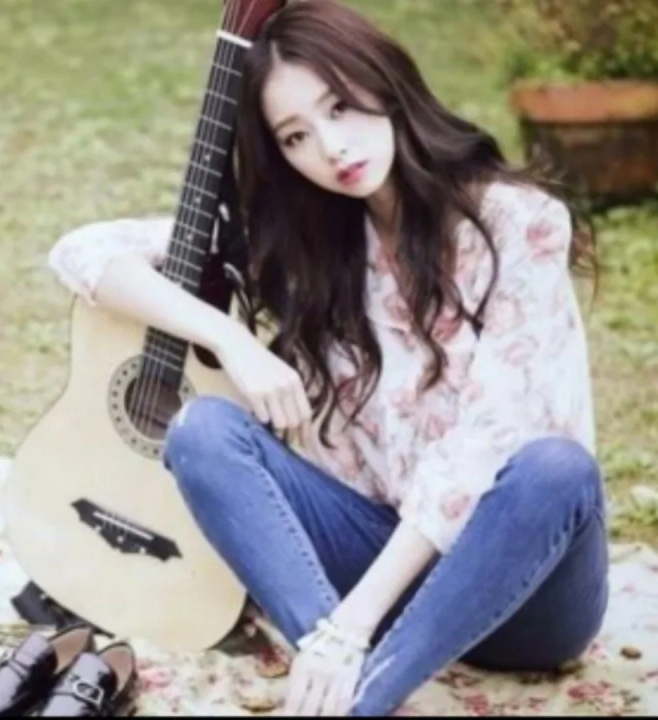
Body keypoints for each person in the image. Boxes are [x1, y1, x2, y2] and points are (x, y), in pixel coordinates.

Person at [47, 0, 609, 716]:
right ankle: (339, 678)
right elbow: (83, 251)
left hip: (523, 587)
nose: (331, 147)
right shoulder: (307, 244)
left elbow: (481, 451)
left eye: (339, 107)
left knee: (554, 470)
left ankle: (354, 696)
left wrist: (350, 628)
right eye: (296, 135)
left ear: (385, 82)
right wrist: (233, 341)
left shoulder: (516, 224)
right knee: (202, 432)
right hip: (374, 556)